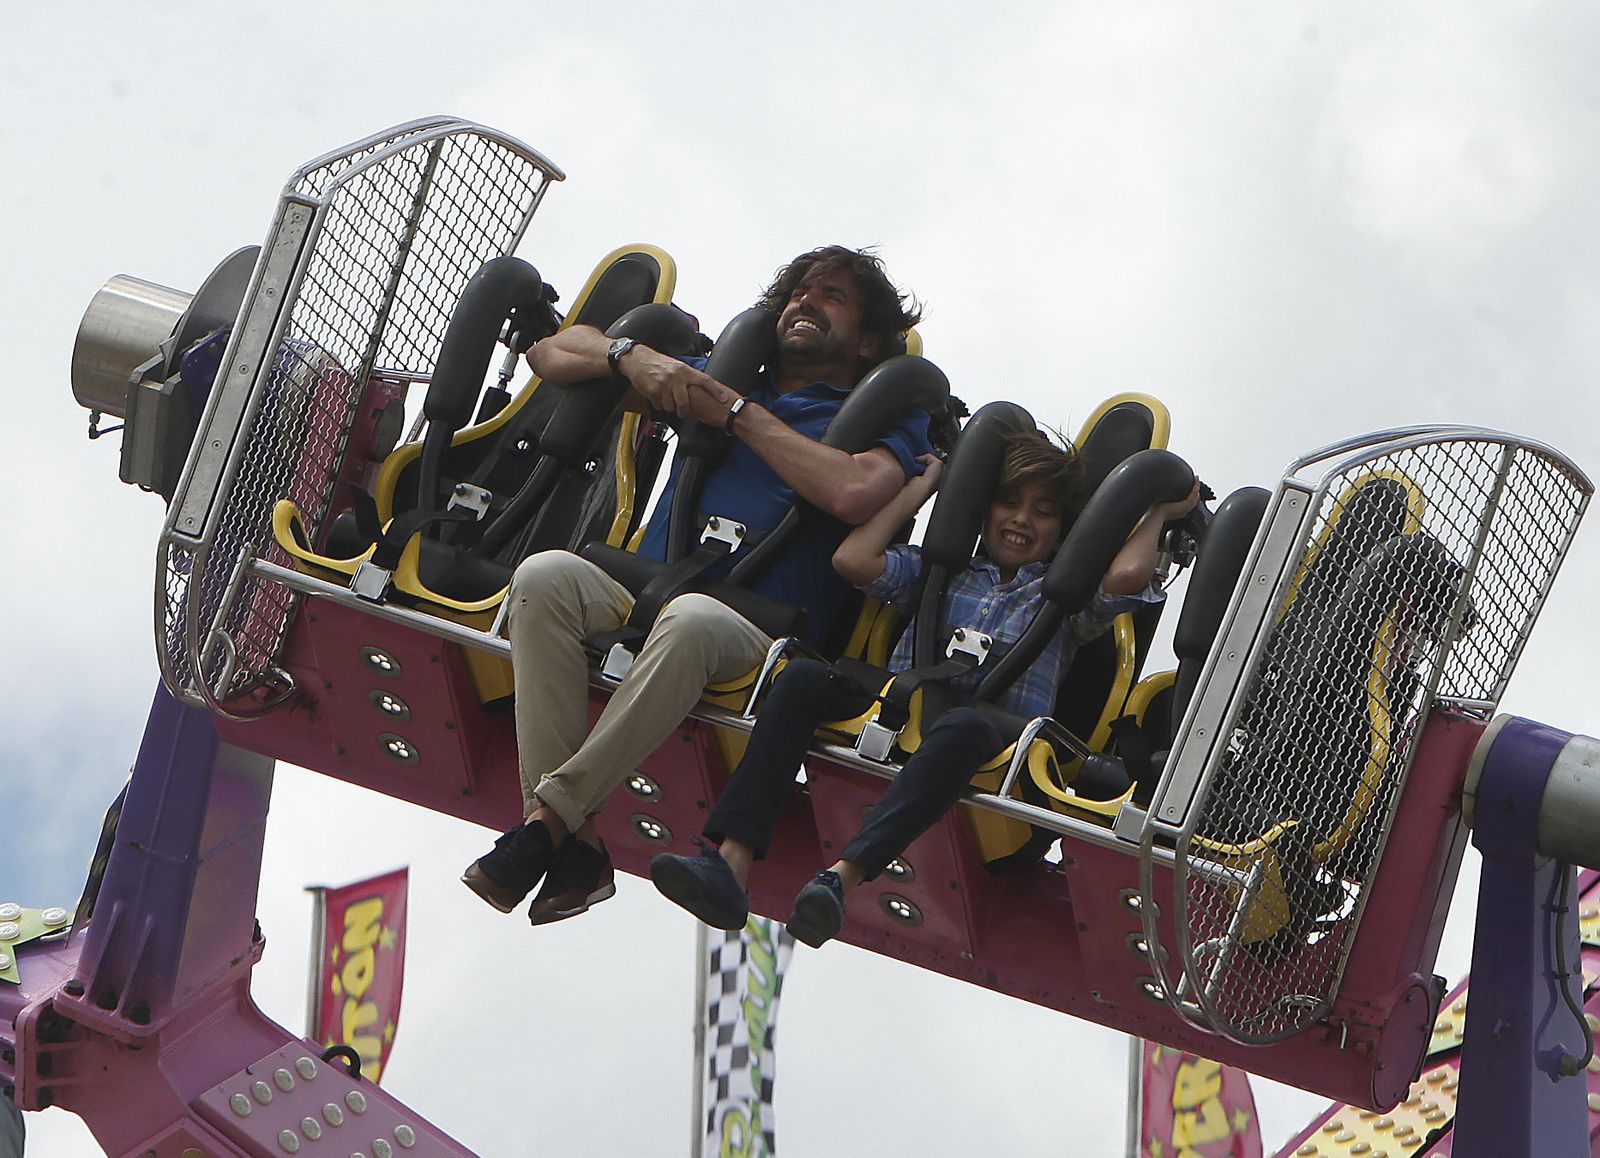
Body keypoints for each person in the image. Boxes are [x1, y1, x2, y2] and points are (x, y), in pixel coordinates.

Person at [461, 246, 935, 924]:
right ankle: (569, 838)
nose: (805, 301)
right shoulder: (722, 374)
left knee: (691, 618)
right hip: (653, 589)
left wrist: (735, 413)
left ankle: (547, 824)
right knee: (542, 577)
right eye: (799, 292)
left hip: (763, 632)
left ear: (867, 340)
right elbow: (551, 353)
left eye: (831, 296)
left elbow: (854, 491)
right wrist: (631, 356)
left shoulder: (889, 418)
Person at [649, 429, 1201, 947]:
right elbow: (854, 559)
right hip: (902, 707)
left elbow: (1125, 578)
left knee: (962, 726)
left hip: (987, 740)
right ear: (982, 510)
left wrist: (1158, 512)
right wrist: (929, 487)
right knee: (803, 675)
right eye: (1009, 503)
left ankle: (841, 878)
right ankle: (731, 860)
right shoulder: (942, 572)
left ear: (1064, 529)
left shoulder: (1062, 601)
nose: (1021, 520)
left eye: (1043, 512)